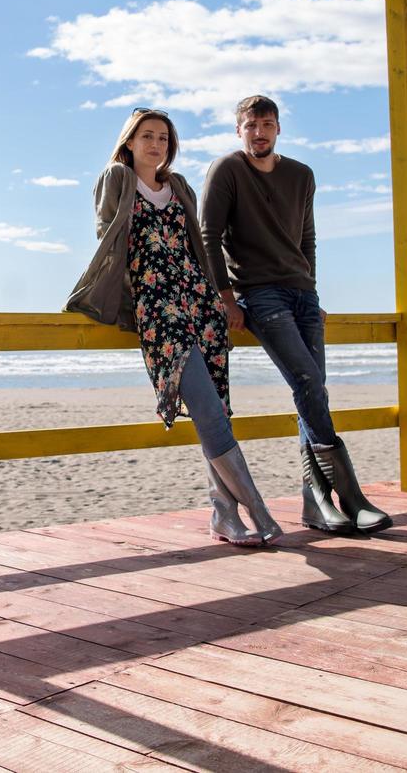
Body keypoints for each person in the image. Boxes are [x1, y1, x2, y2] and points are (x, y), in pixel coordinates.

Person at [66, 108, 282, 546]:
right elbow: (108, 237)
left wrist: (221, 298)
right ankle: (258, 510)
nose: (156, 144)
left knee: (216, 410)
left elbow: (199, 245)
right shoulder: (117, 178)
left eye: (163, 138)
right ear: (129, 142)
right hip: (158, 304)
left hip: (200, 301)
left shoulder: (179, 185)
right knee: (205, 406)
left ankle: (225, 514)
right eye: (146, 136)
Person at [200, 95, 392, 535]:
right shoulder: (227, 169)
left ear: (278, 129)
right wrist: (227, 300)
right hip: (259, 295)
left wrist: (313, 290)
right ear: (239, 130)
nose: (259, 132)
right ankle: (351, 495)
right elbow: (209, 236)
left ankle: (316, 500)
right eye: (251, 125)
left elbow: (308, 237)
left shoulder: (301, 175)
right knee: (307, 382)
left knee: (314, 391)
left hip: (303, 296)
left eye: (267, 124)